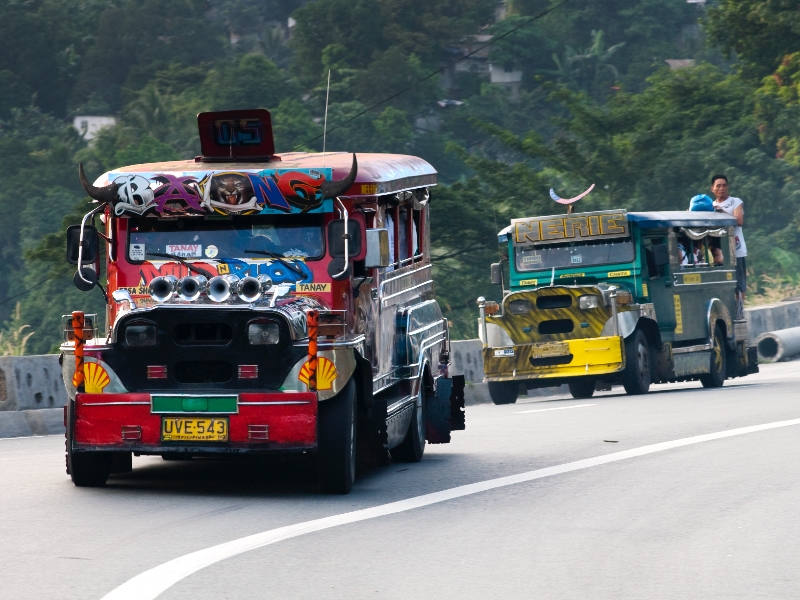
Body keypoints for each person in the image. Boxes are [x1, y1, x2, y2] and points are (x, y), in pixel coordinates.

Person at [710, 175, 746, 311]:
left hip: (736, 249)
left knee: (739, 283)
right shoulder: (710, 206)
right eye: (718, 186)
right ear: (712, 188)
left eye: (724, 185)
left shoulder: (735, 202)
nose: (721, 188)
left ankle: (739, 311)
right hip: (717, 250)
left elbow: (739, 221)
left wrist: (723, 213)